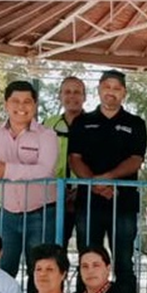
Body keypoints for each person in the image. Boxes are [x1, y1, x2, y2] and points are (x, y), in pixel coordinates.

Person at [0, 80, 58, 293]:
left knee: (39, 272)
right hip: (8, 214)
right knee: (1, 270)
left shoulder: (47, 135)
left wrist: (7, 171)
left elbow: (45, 170)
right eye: (16, 101)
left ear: (35, 105)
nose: (22, 106)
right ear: (6, 104)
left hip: (42, 213)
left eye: (27, 101)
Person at [68, 70, 147, 293]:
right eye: (107, 87)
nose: (111, 92)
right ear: (99, 89)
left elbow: (135, 160)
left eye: (116, 88)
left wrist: (108, 178)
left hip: (123, 203)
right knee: (88, 258)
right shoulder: (82, 122)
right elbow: (75, 158)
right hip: (88, 203)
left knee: (123, 260)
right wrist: (94, 183)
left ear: (124, 93)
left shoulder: (135, 123)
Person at [43, 76, 87, 248]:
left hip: (85, 193)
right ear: (59, 96)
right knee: (53, 247)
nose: (72, 96)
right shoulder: (48, 124)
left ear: (85, 97)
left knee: (87, 246)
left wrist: (79, 188)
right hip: (54, 194)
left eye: (77, 92)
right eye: (67, 92)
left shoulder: (93, 123)